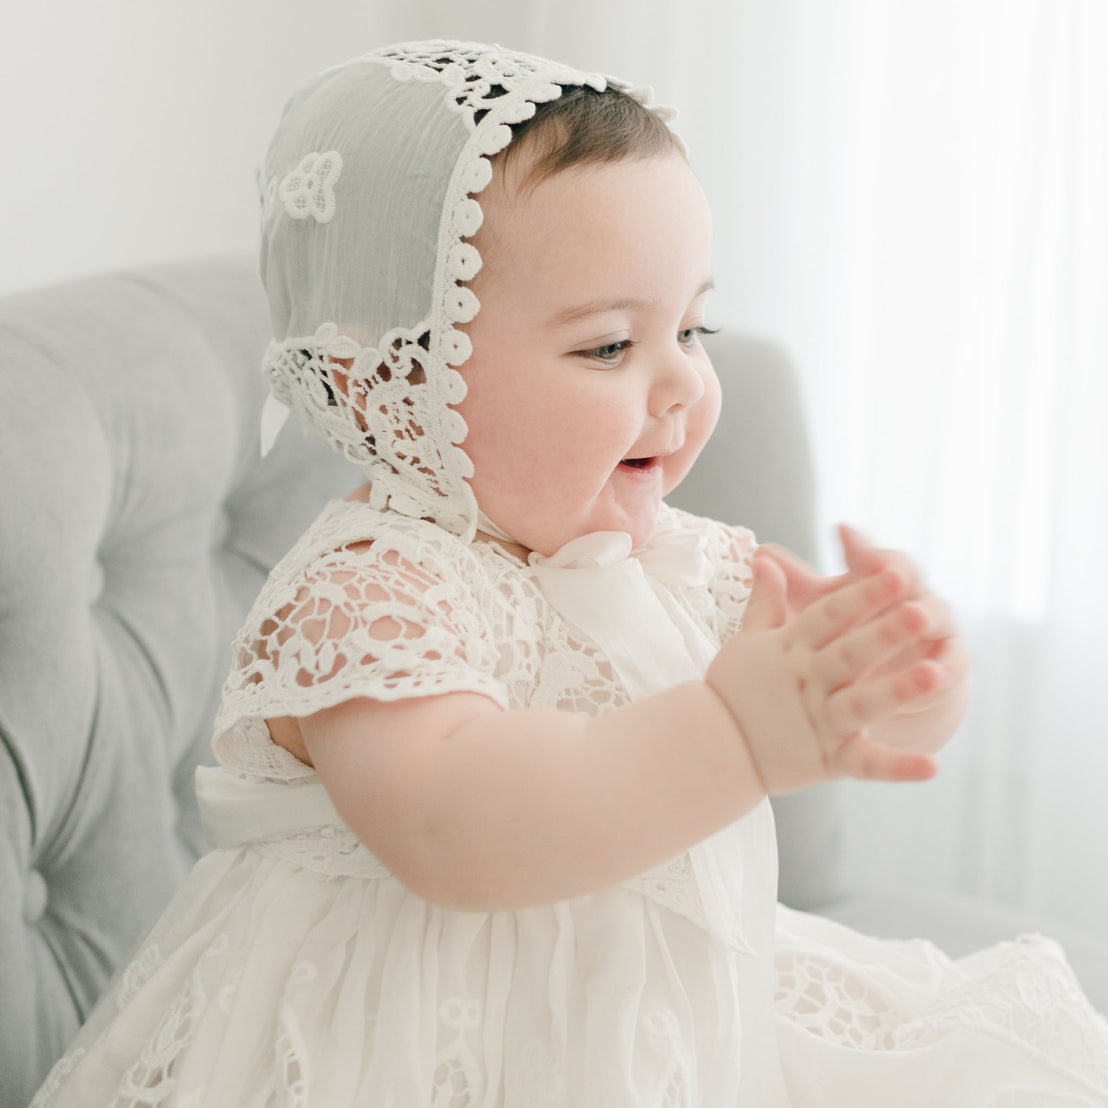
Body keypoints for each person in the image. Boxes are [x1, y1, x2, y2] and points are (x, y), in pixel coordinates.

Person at [32, 40, 1108, 1108]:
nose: (683, 379)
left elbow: (842, 720)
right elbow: (464, 836)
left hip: (655, 1023)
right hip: (405, 1052)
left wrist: (894, 676)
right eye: (607, 347)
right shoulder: (370, 595)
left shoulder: (679, 557)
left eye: (692, 325)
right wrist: (737, 735)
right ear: (384, 388)